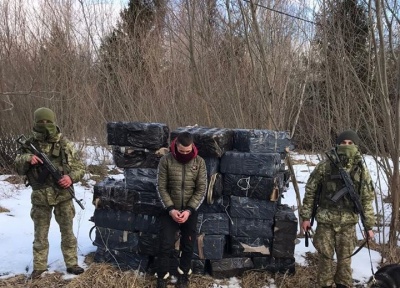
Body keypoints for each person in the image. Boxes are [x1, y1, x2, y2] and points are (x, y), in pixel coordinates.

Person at [14, 107, 85, 279]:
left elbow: (80, 168)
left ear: (54, 122)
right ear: (35, 122)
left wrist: (70, 178)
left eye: (48, 121)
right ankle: (39, 267)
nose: (45, 125)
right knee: (40, 235)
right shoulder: (29, 144)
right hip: (40, 197)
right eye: (41, 122)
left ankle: (72, 264)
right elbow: (18, 167)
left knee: (68, 233)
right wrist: (27, 159)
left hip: (63, 196)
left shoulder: (64, 144)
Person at [300, 130, 375, 288]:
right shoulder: (325, 165)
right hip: (325, 220)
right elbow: (310, 190)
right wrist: (306, 217)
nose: (346, 146)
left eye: (350, 143)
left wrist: (369, 226)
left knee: (345, 262)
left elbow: (367, 198)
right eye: (343, 143)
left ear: (355, 146)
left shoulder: (361, 168)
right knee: (325, 260)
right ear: (337, 144)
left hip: (348, 223)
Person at [156, 132, 207, 288]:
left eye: (188, 151)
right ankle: (162, 277)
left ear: (192, 146)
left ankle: (184, 274)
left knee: (188, 245)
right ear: (176, 146)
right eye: (182, 151)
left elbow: (201, 189)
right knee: (165, 244)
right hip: (169, 210)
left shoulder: (199, 162)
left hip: (189, 211)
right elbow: (161, 187)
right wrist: (171, 209)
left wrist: (189, 210)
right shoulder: (166, 161)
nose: (185, 154)